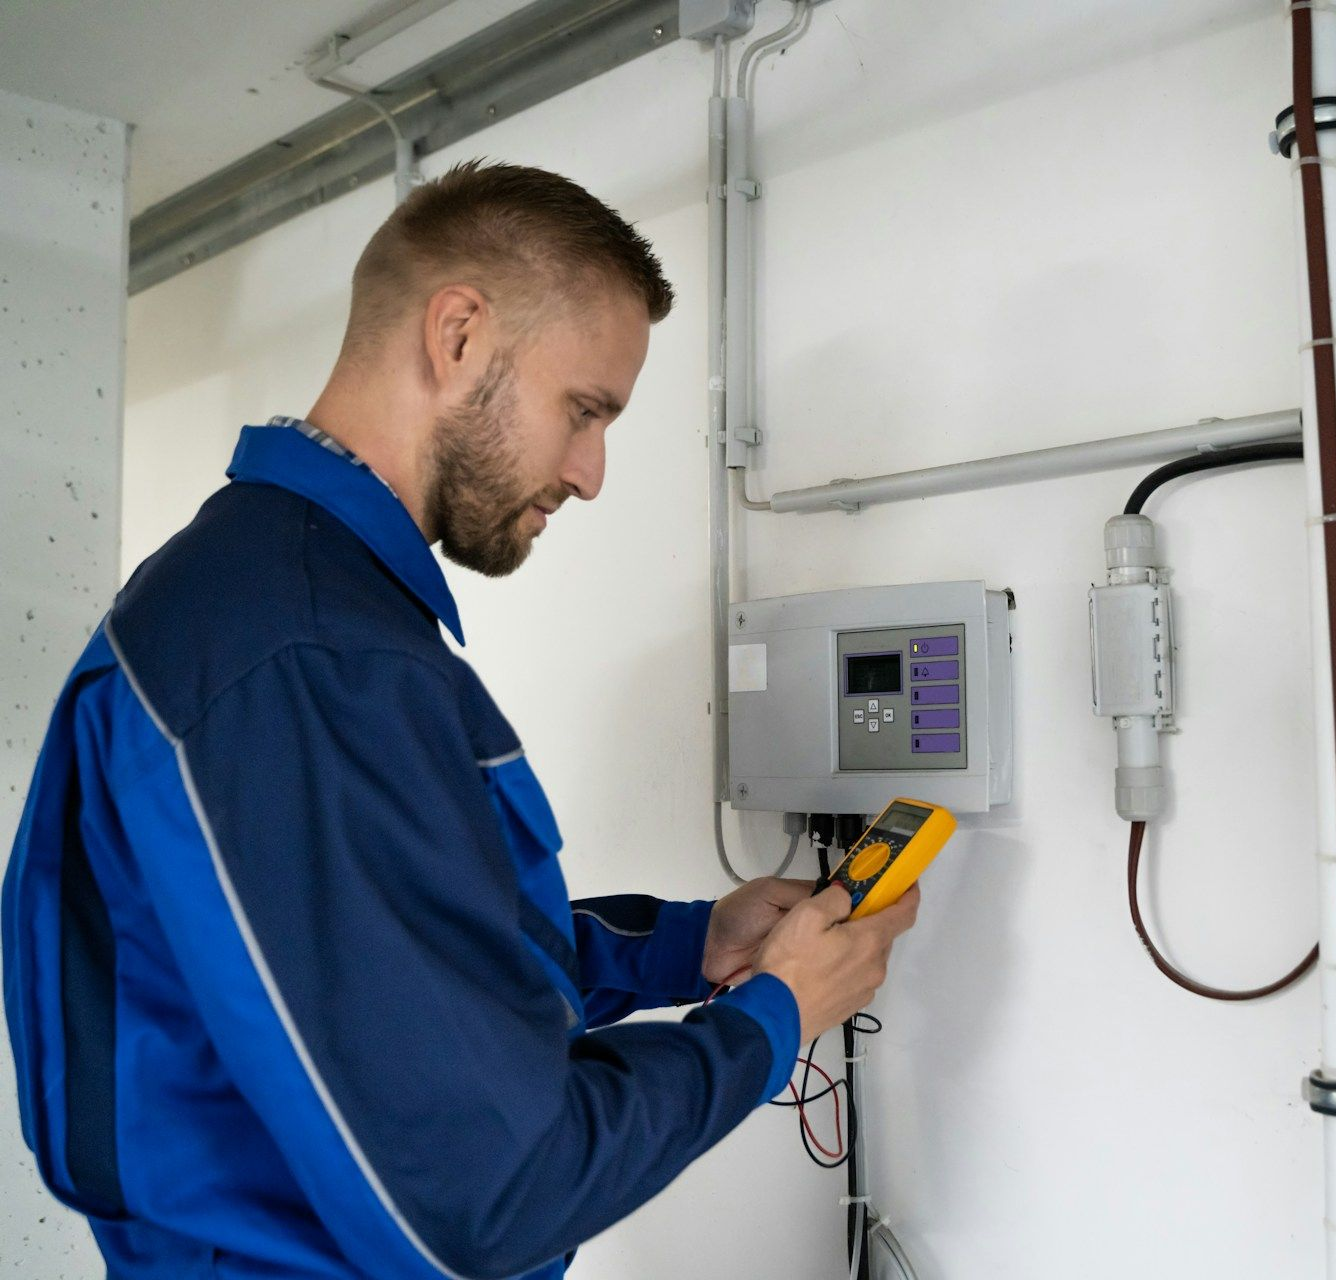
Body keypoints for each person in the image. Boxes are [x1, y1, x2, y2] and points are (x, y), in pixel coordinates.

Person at [2, 160, 920, 1279]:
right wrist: (768, 1019)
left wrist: (692, 946)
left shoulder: (263, 601)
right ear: (457, 336)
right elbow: (495, 1195)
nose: (590, 473)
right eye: (583, 410)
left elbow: (388, 976)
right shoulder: (310, 656)